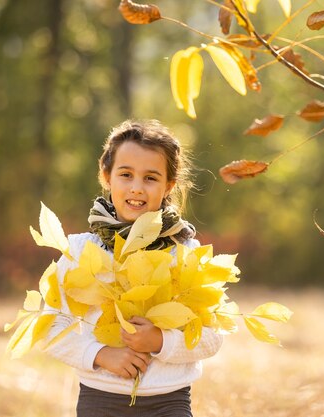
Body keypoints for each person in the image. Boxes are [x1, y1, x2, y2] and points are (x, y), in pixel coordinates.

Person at [44, 119, 223, 417]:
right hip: (100, 401)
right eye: (126, 174)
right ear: (106, 176)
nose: (136, 188)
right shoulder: (79, 250)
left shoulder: (185, 253)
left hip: (169, 402)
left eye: (151, 178)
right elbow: (49, 325)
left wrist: (161, 341)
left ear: (169, 185)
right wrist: (100, 354)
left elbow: (213, 336)